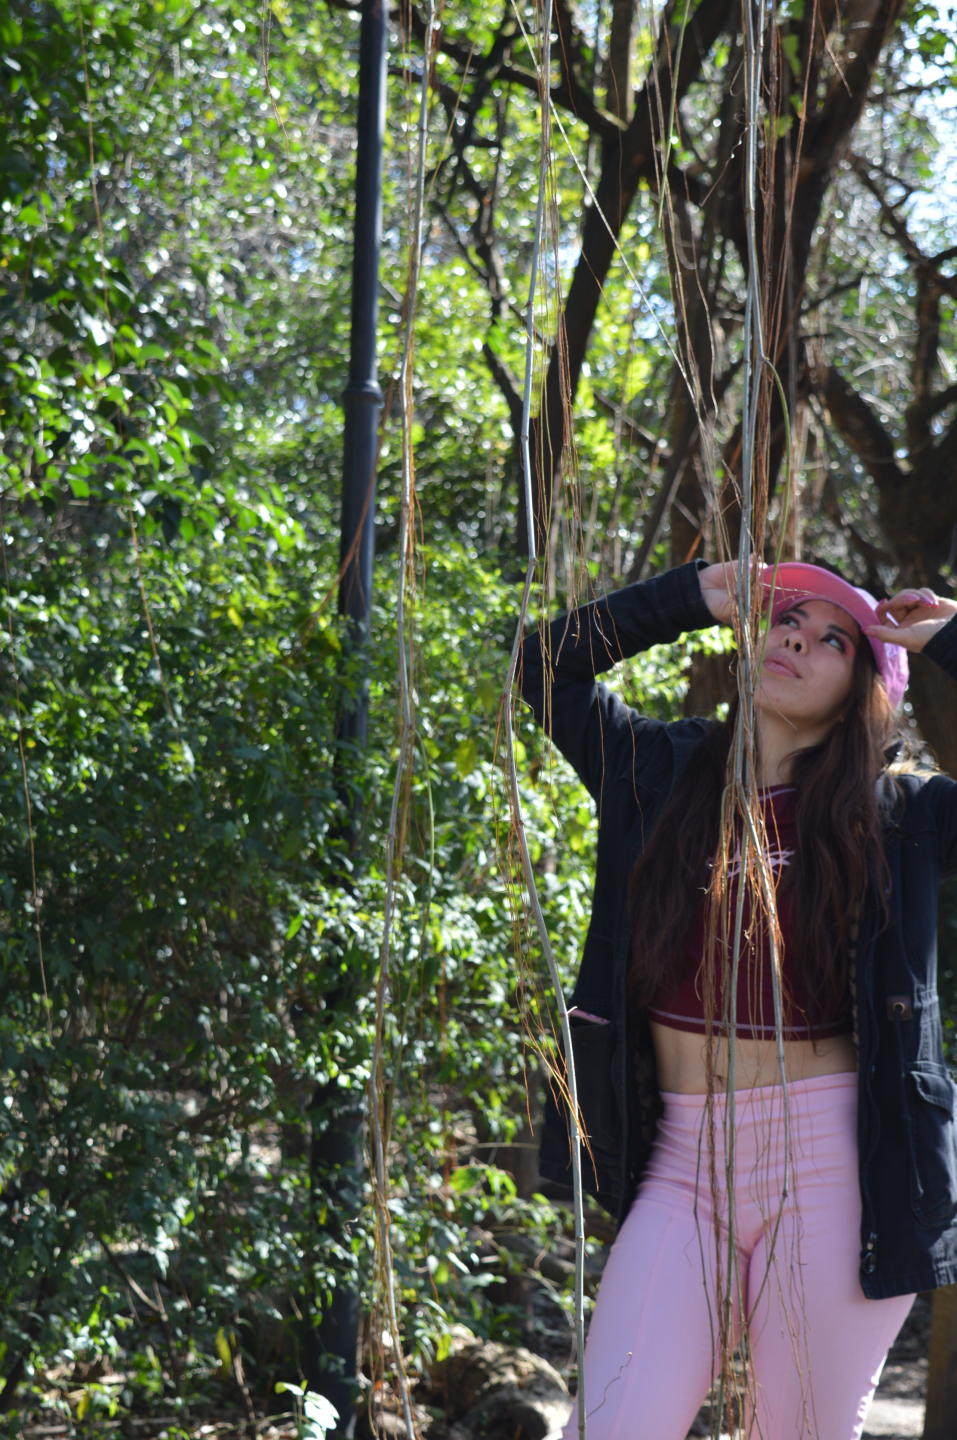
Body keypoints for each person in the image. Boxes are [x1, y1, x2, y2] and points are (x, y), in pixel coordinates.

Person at [519, 557, 957, 1440]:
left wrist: (949, 640)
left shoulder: (899, 817)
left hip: (837, 1168)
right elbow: (538, 667)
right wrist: (686, 598)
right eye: (786, 620)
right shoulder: (658, 772)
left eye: (833, 639)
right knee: (612, 1426)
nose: (795, 638)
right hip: (681, 1165)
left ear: (865, 693)